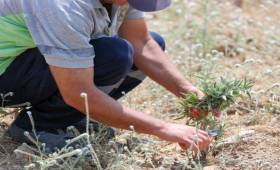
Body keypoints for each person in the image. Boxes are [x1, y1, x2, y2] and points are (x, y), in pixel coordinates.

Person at [0, 0, 216, 152]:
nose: (126, 4)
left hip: (25, 64)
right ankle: (37, 127)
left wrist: (187, 91)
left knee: (143, 46)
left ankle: (64, 117)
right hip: (4, 77)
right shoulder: (61, 6)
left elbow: (140, 41)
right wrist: (164, 128)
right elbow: (78, 92)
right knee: (114, 55)